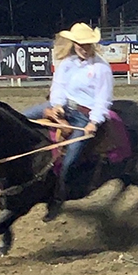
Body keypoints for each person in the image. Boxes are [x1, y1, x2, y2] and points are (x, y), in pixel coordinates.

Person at [41, 22, 114, 222]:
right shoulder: (67, 63)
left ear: (92, 45)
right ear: (74, 44)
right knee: (22, 118)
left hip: (84, 114)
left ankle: (58, 195)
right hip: (64, 108)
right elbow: (58, 87)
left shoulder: (101, 68)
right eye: (79, 44)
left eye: (87, 44)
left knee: (71, 154)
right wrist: (56, 105)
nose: (83, 48)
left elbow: (103, 99)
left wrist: (94, 121)